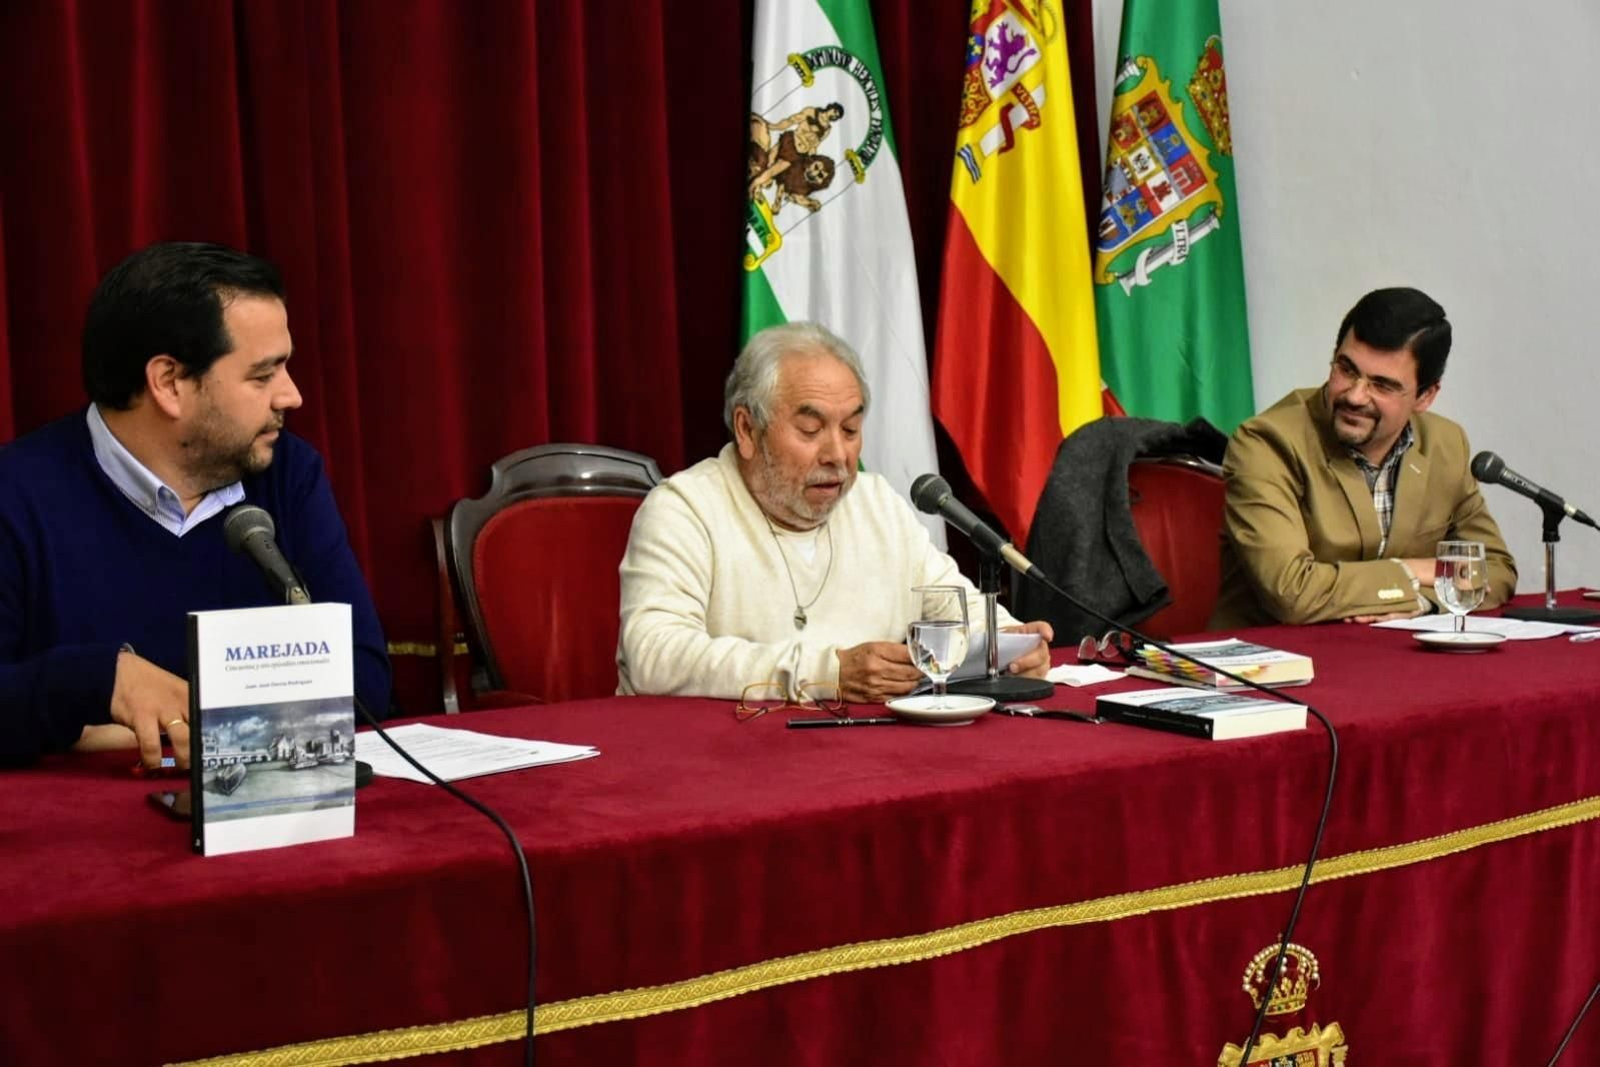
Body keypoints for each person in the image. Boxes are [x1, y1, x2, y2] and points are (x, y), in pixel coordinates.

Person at [0, 242, 391, 769]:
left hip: (265, 825)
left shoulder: (287, 474)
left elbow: (364, 683)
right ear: (170, 383)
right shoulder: (15, 494)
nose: (291, 396)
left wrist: (150, 731)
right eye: (262, 375)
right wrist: (100, 682)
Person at [616, 321, 1052, 704]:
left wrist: (1008, 641)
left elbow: (951, 605)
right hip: (711, 764)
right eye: (810, 430)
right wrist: (827, 673)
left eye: (850, 430)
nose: (838, 455)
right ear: (747, 429)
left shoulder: (876, 504)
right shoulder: (685, 509)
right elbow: (654, 653)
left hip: (857, 759)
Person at [1211, 287, 1516, 628]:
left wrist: (1424, 602)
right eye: (1347, 369)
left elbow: (1496, 571)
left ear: (1425, 396)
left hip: (1394, 659)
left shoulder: (1446, 444)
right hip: (1276, 662)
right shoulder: (1267, 443)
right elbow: (1291, 593)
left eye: (1382, 385)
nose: (1355, 396)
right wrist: (1411, 570)